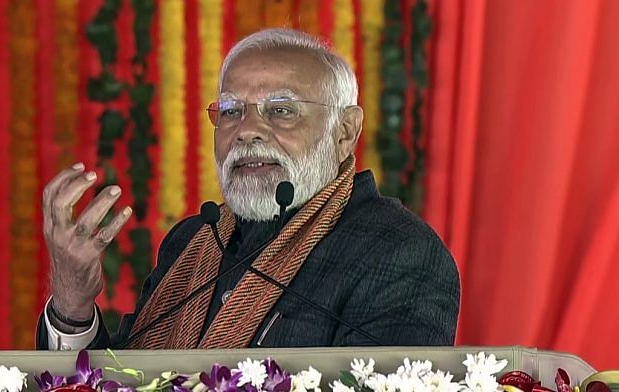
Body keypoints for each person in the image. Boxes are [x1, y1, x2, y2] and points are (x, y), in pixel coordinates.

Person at [36, 28, 460, 350]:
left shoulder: (398, 251)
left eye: (281, 110)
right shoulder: (193, 241)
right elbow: (116, 381)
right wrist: (71, 304)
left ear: (344, 131)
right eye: (231, 111)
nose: (248, 131)